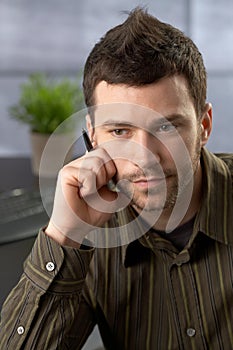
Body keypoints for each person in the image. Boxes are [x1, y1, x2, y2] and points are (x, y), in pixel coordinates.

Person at [1, 7, 233, 350]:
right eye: (120, 130)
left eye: (166, 127)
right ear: (93, 137)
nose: (145, 157)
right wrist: (65, 236)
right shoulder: (89, 236)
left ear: (204, 125)